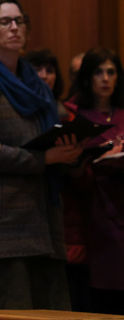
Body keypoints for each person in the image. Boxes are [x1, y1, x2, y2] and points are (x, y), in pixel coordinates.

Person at [0, 0, 82, 310]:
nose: (14, 27)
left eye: (19, 21)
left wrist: (73, 152)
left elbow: (54, 141)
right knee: (14, 313)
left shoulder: (40, 90)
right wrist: (43, 159)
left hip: (46, 226)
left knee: (57, 315)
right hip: (2, 229)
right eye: (5, 22)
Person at [64, 47, 124, 314]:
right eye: (99, 72)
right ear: (88, 77)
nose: (105, 78)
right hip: (93, 208)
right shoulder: (75, 114)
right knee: (101, 293)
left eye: (111, 72)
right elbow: (71, 170)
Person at [25, 48, 67, 116]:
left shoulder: (67, 114)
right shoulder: (14, 111)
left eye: (49, 71)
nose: (44, 76)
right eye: (37, 70)